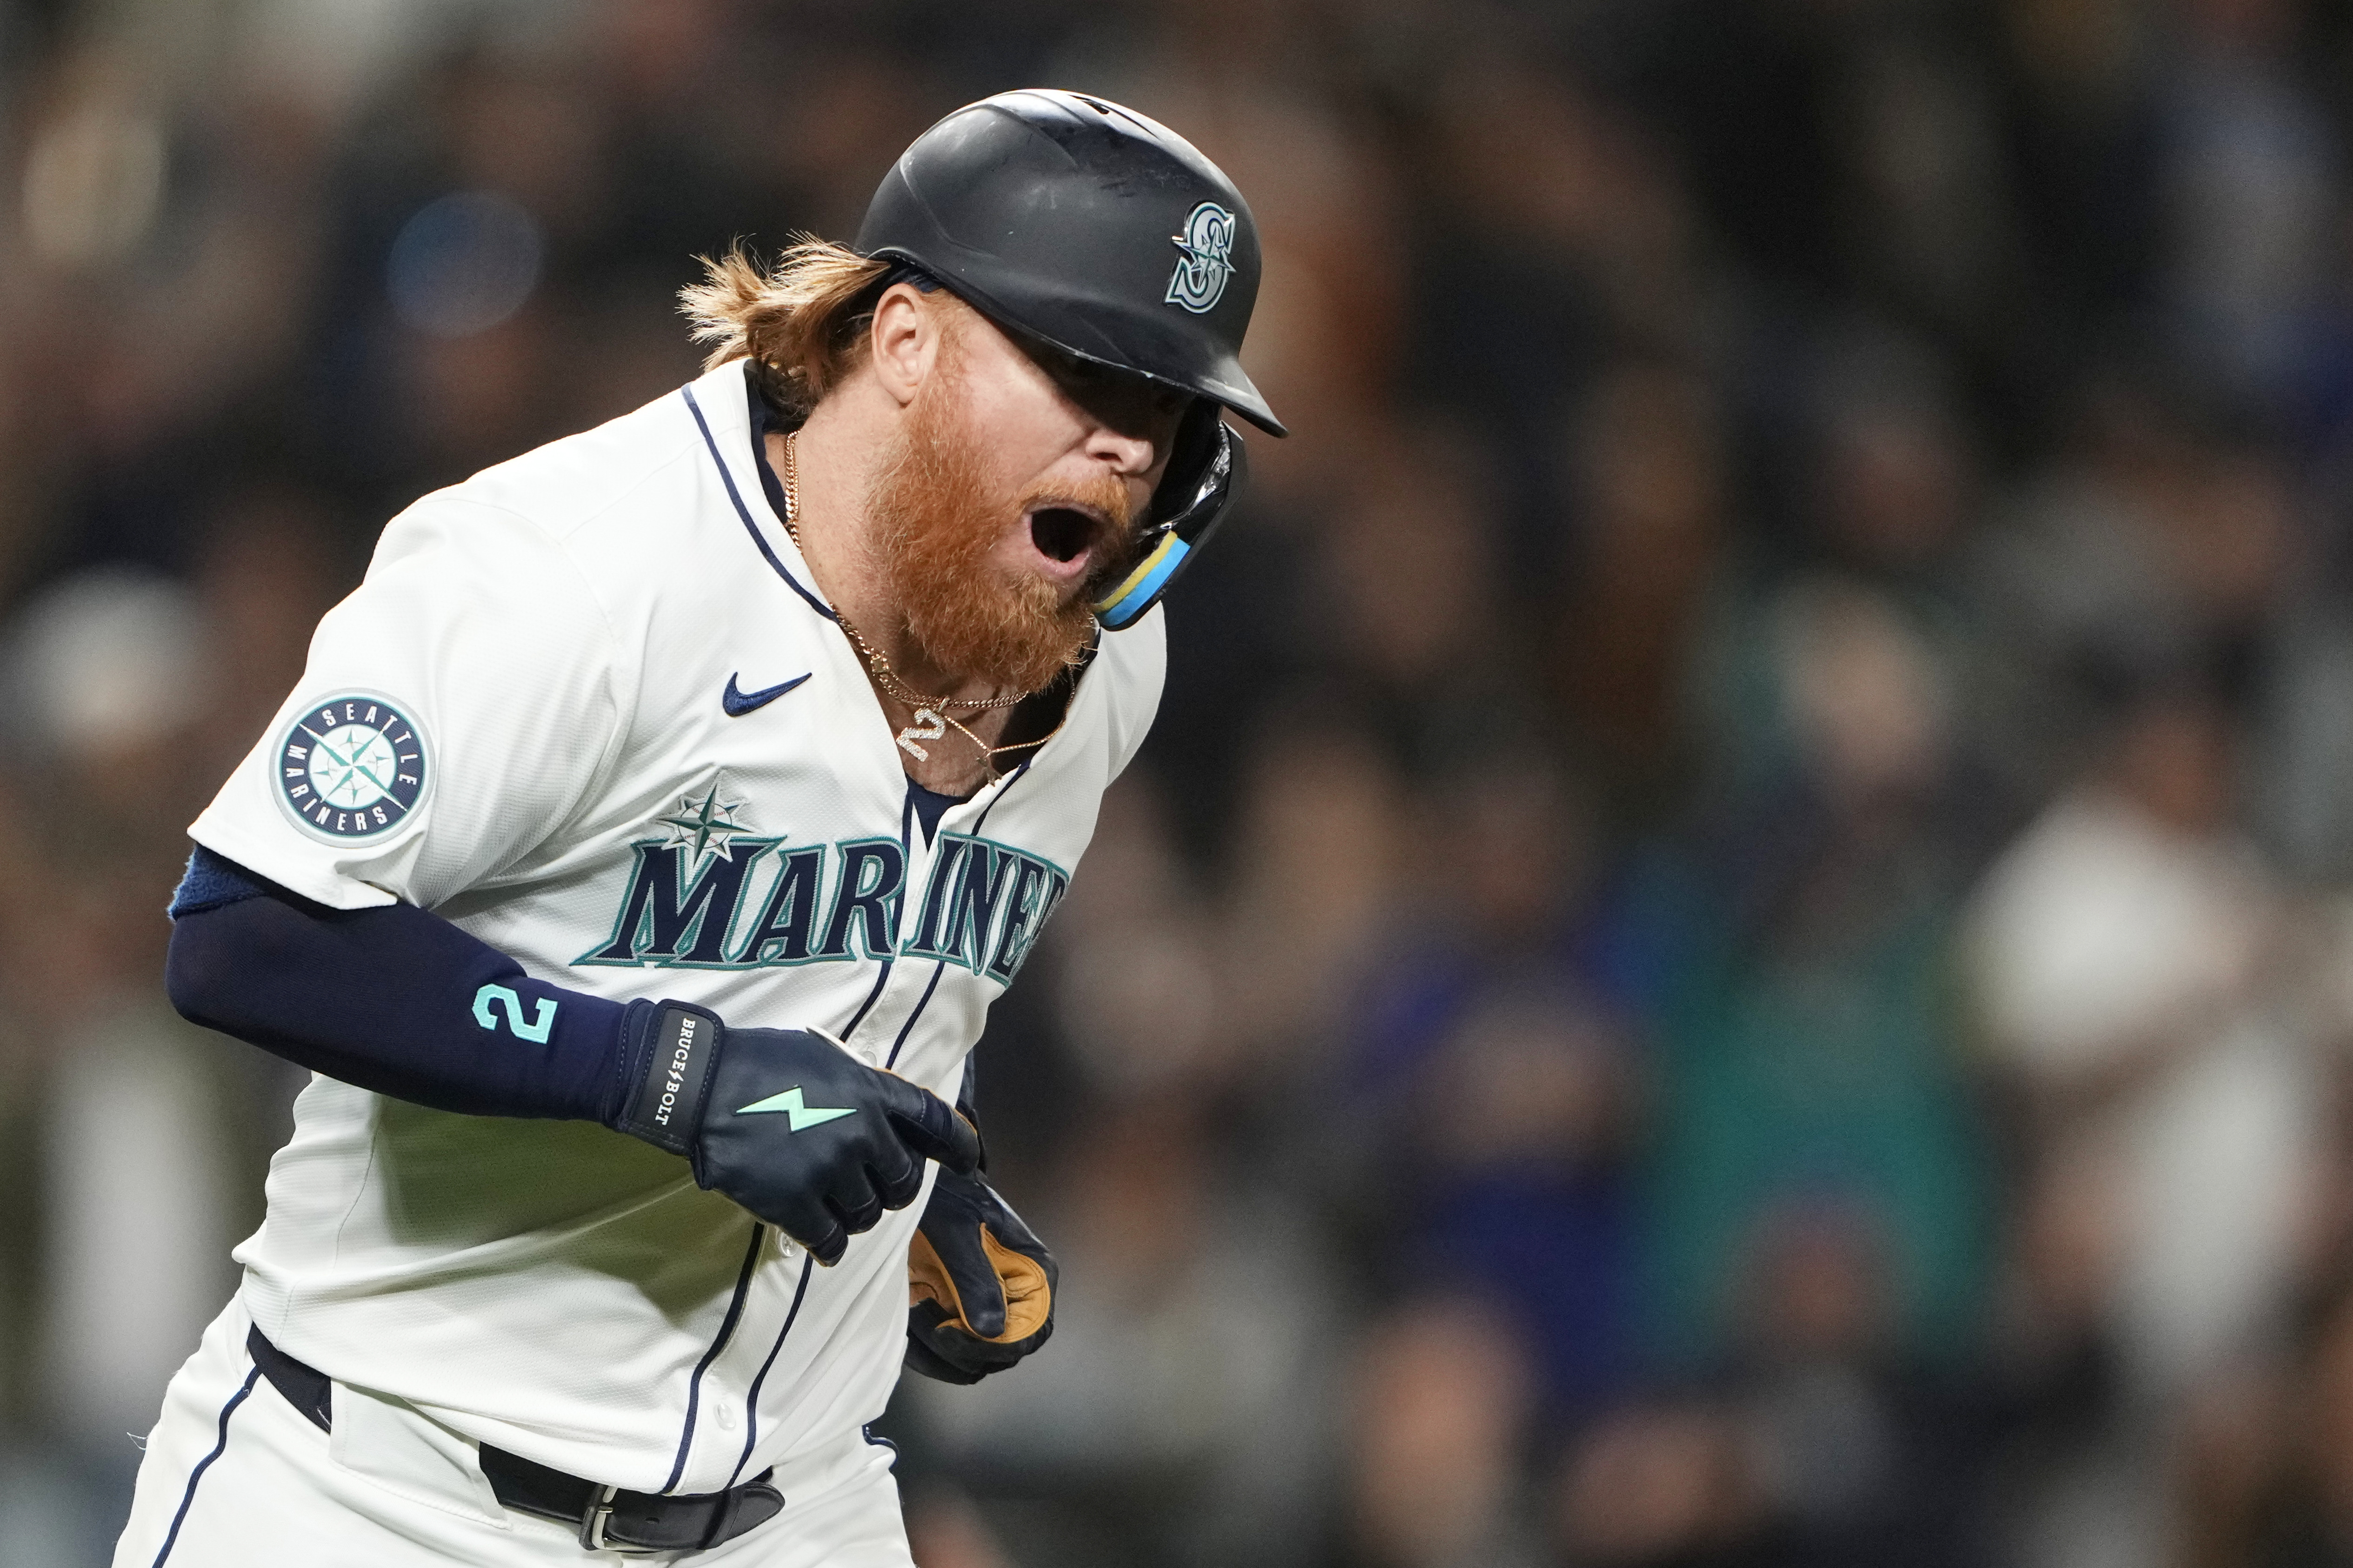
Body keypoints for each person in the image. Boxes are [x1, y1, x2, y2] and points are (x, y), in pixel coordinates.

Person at [111, 88, 1282, 1567]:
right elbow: (242, 934)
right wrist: (657, 1072)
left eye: (1167, 408)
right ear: (904, 341)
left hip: (788, 1511)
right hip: (384, 1491)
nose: (1125, 447)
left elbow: (882, 988)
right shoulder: (578, 570)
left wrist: (918, 1174)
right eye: (1079, 373)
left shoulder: (1105, 658)